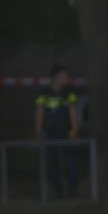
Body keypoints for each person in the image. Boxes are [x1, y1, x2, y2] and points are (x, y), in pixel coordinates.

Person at [34, 66, 82, 197]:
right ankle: (58, 191)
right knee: (52, 164)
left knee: (71, 163)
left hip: (67, 132)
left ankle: (72, 190)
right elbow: (39, 112)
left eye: (66, 76)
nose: (65, 78)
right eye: (62, 76)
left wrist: (74, 133)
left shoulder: (70, 92)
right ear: (55, 77)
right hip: (49, 133)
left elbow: (73, 112)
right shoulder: (43, 92)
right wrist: (38, 132)